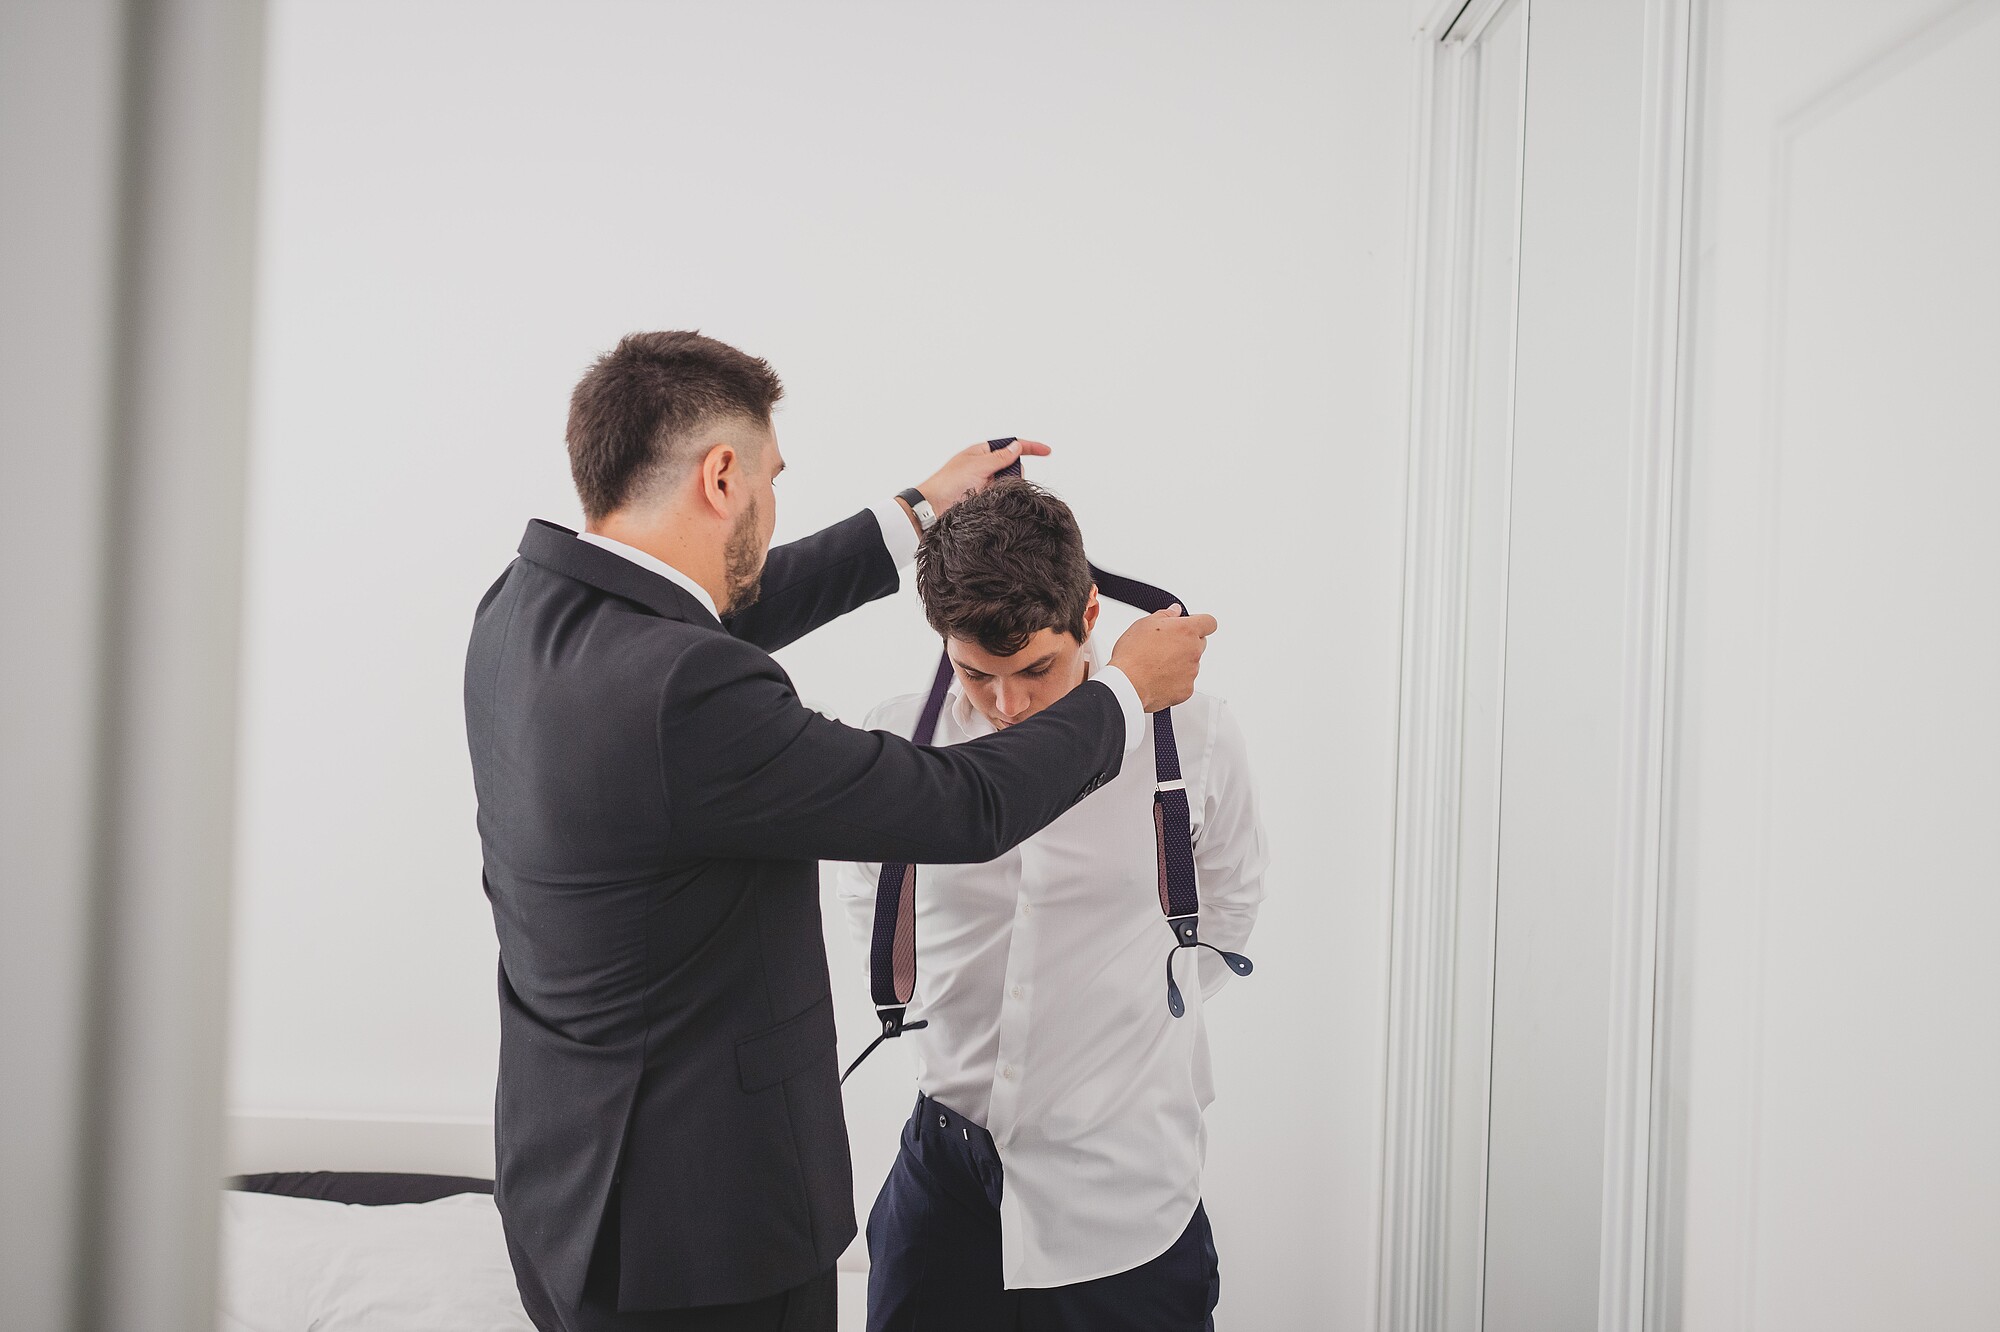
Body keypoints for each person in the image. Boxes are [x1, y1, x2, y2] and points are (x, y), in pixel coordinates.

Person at [462, 331, 1218, 1332]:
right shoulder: (687, 690)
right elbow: (962, 806)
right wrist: (1124, 691)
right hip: (703, 1238)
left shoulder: (526, 609)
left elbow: (707, 620)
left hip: (570, 1193)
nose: (775, 506)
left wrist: (911, 514)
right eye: (772, 479)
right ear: (721, 476)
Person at [837, 481, 1266, 1332]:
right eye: (976, 674)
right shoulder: (899, 745)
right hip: (941, 1186)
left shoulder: (1198, 738)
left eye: (1036, 669)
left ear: (1092, 615)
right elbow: (873, 907)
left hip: (1125, 1195)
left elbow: (1227, 910)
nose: (1008, 706)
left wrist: (1123, 1023)